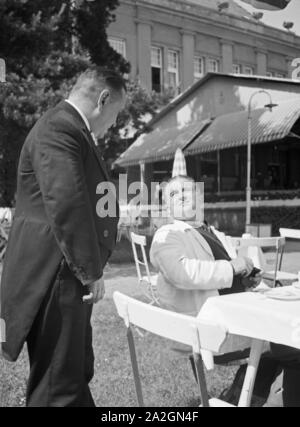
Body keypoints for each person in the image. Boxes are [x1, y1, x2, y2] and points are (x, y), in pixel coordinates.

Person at [0, 67, 126, 407]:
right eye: (116, 114)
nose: (113, 124)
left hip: (60, 271)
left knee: (72, 373)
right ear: (102, 99)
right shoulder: (60, 128)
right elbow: (67, 204)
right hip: (56, 273)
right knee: (58, 386)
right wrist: (91, 271)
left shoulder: (67, 128)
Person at [150, 173, 300, 407]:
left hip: (237, 317)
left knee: (288, 342)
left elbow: (227, 276)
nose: (180, 196)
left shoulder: (213, 233)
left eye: (186, 191)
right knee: (292, 348)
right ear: (166, 206)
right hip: (211, 329)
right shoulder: (167, 235)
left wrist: (245, 280)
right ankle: (244, 398)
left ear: (200, 198)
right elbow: (182, 273)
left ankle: (242, 398)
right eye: (172, 194)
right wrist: (232, 267)